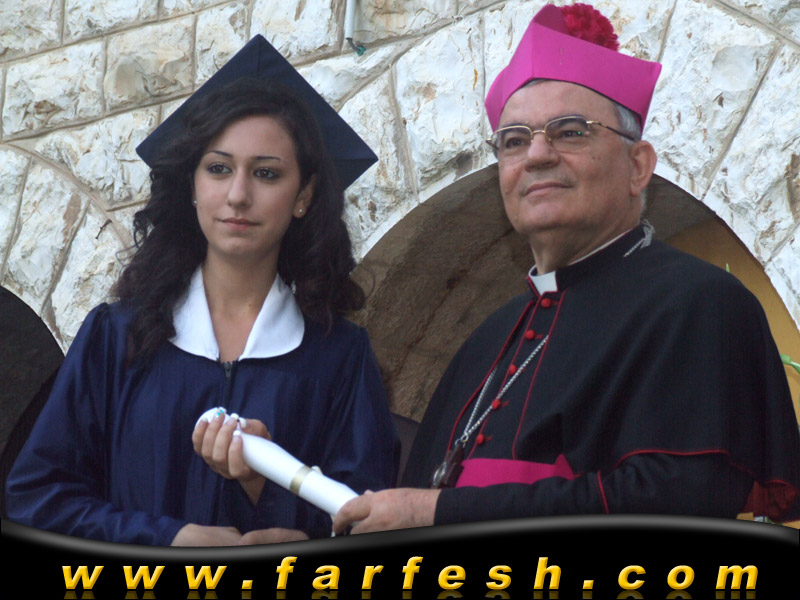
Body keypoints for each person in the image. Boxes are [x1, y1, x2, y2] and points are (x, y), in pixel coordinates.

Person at [333, 2, 800, 534]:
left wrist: (435, 514)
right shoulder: (487, 340)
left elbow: (676, 501)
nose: (537, 155)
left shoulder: (699, 303)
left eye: (571, 131)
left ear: (638, 166)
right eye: (514, 141)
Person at [6, 36, 399, 546]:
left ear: (303, 195)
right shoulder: (117, 337)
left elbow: (371, 521)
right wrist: (167, 540)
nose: (238, 194)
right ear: (192, 186)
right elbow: (37, 497)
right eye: (218, 168)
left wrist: (264, 489)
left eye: (266, 173)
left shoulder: (339, 358)